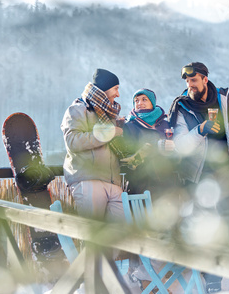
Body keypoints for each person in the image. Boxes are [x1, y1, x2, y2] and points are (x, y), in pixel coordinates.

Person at [168, 61, 229, 293]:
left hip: (225, 174)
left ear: (205, 79)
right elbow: (179, 145)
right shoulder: (182, 106)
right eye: (187, 81)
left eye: (194, 80)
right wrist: (199, 131)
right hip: (197, 177)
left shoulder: (225, 99)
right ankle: (213, 283)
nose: (190, 85)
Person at [60, 68, 126, 221]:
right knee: (93, 239)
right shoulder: (78, 109)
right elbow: (73, 141)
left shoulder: (108, 113)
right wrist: (108, 133)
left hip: (113, 182)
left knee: (120, 239)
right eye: (116, 89)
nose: (118, 94)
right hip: (88, 180)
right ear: (104, 89)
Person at [119, 88, 178, 197]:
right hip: (141, 185)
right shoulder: (129, 126)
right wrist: (155, 146)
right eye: (136, 101)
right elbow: (127, 158)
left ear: (152, 102)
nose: (140, 103)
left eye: (144, 99)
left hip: (167, 183)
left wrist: (173, 150)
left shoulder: (165, 124)